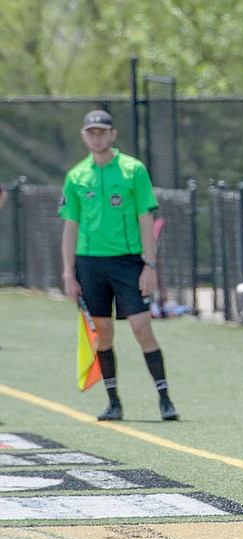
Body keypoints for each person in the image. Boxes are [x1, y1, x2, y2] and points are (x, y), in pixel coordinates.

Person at [59, 110, 178, 422]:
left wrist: (149, 265)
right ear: (84, 136)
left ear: (112, 135)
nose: (97, 136)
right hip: (90, 264)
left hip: (128, 262)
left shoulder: (132, 170)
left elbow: (145, 219)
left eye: (102, 131)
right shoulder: (76, 176)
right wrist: (69, 273)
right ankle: (114, 401)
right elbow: (70, 227)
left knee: (142, 328)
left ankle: (165, 398)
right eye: (91, 132)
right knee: (104, 332)